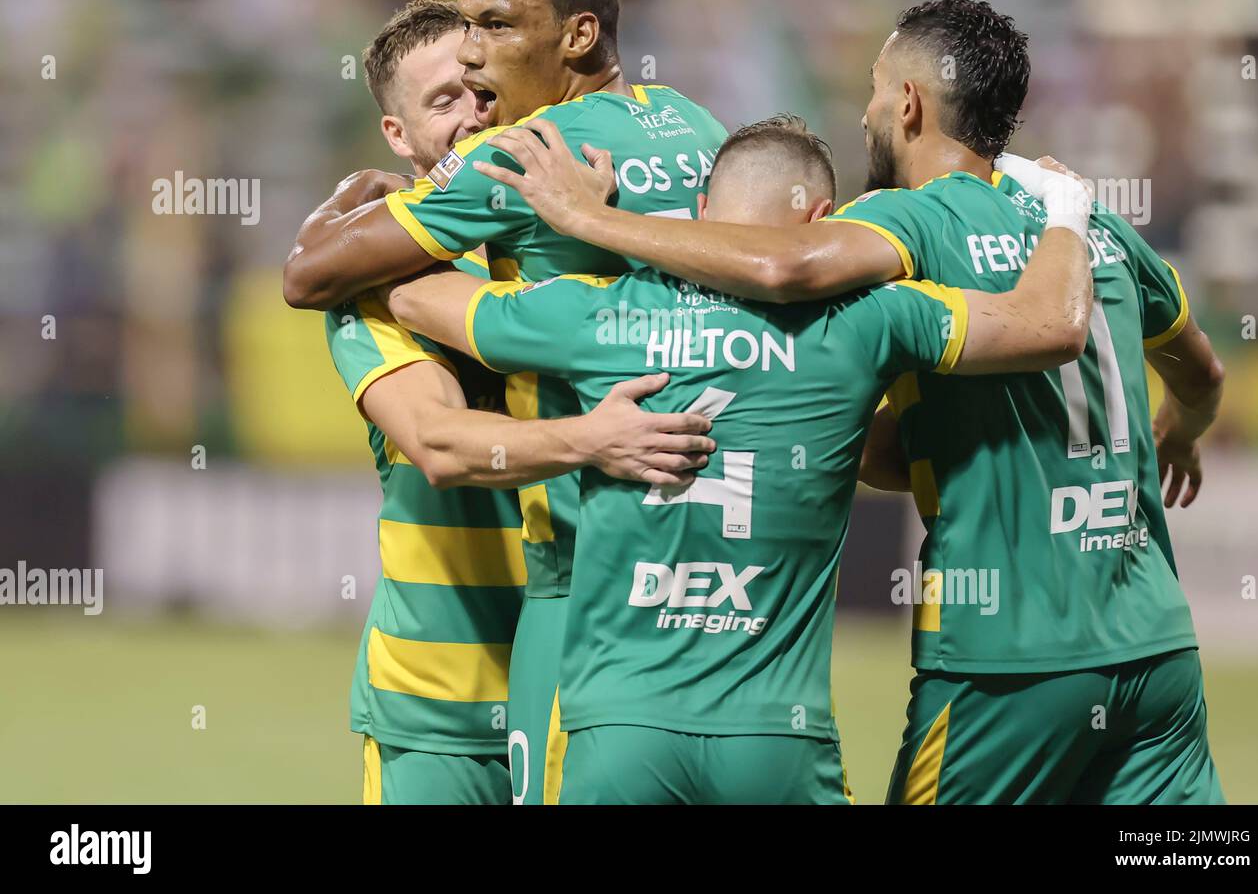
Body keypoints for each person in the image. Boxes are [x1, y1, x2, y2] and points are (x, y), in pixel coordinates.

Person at [474, 0, 1227, 804]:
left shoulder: (909, 222)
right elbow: (1201, 374)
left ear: (908, 103)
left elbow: (781, 267)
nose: (866, 110)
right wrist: (1177, 435)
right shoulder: (1090, 227)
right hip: (1157, 644)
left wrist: (591, 219)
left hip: (1009, 654)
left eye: (874, 88)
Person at [380, 114, 1095, 803]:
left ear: (700, 210)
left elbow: (409, 293)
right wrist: (1065, 215)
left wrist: (400, 202)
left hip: (620, 730)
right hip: (775, 738)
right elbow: (1045, 325)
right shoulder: (871, 320)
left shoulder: (600, 311)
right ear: (822, 222)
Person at [283, 0, 729, 804]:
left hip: (594, 647)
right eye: (446, 97)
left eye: (482, 75)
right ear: (398, 134)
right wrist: (593, 439)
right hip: (440, 711)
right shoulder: (382, 288)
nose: (476, 102)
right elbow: (442, 446)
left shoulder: (549, 227)